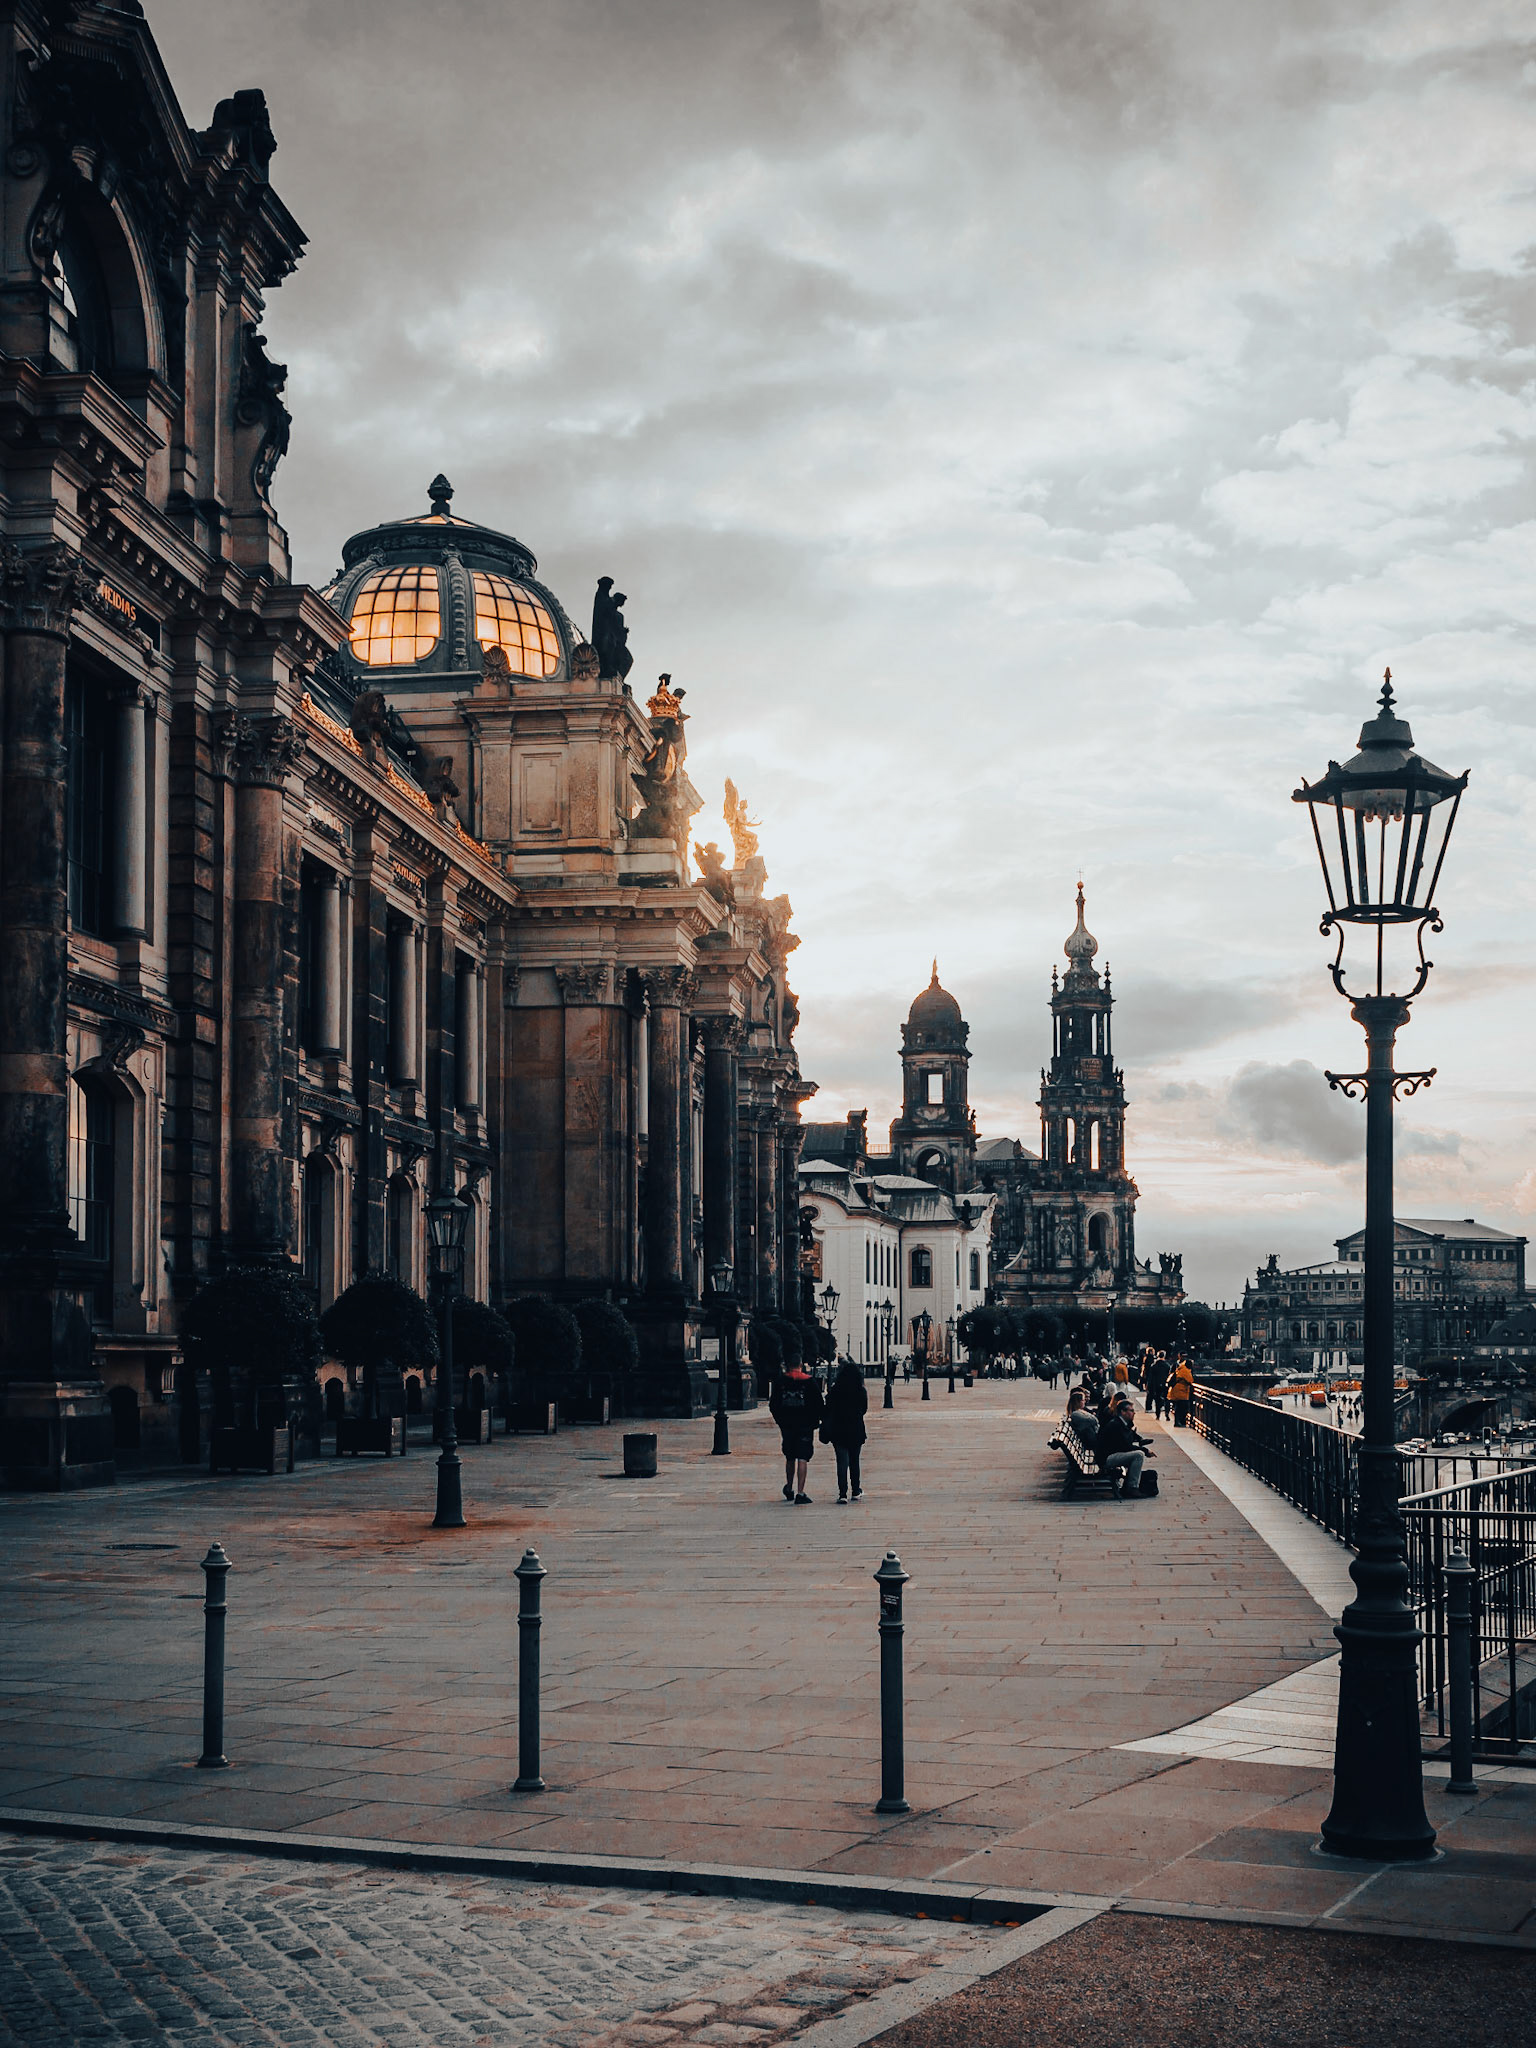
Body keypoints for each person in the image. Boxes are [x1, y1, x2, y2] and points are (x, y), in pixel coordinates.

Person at [770, 1360, 824, 1503]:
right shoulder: (810, 1382)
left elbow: (773, 1404)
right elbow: (819, 1403)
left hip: (787, 1425)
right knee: (802, 1457)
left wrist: (780, 1420)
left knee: (789, 1456)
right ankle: (800, 1492)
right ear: (801, 1366)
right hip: (805, 1426)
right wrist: (816, 1420)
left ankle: (789, 1487)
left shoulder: (781, 1382)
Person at [824, 1356, 868, 1502]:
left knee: (841, 1462)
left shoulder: (835, 1390)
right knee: (854, 1461)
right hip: (855, 1429)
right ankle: (856, 1490)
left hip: (839, 1429)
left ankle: (842, 1493)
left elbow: (828, 1408)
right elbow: (864, 1409)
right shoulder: (860, 1391)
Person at [1098, 1393, 1153, 1499]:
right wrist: (1145, 1450)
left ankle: (1129, 1485)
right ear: (1123, 1412)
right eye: (1131, 1410)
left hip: (1109, 1455)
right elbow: (1125, 1447)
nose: (1134, 1413)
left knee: (1136, 1454)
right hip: (1106, 1459)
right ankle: (1132, 1488)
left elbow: (1126, 1443)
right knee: (1139, 1455)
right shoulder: (1116, 1425)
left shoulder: (1120, 1422)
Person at [1065, 1387, 1099, 1454]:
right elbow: (1094, 1420)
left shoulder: (1079, 1412)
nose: (1085, 1401)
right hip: (1092, 1441)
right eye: (1083, 1400)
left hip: (1093, 1437)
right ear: (1078, 1402)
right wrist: (1093, 1417)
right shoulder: (1076, 1414)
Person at [1169, 1357, 1194, 1428]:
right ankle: (1179, 1422)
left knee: (1178, 1407)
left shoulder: (1181, 1368)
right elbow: (1190, 1380)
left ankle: (1178, 1422)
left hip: (1177, 1390)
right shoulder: (1185, 1371)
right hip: (1181, 1391)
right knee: (1182, 1407)